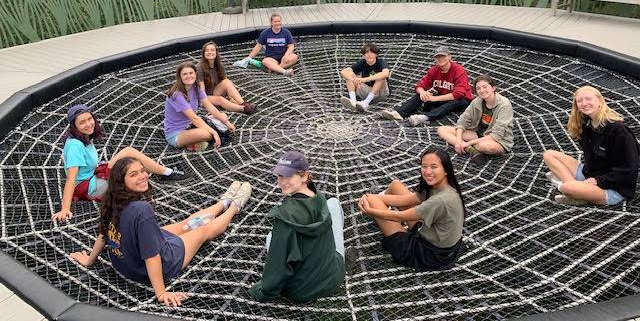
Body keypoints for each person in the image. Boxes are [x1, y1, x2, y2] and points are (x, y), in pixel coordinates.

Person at [69, 157, 252, 307]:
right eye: (134, 174)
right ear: (121, 181)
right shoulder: (142, 210)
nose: (143, 176)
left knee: (185, 224)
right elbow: (152, 255)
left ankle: (223, 202)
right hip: (152, 267)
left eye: (142, 170)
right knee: (202, 230)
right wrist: (161, 293)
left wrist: (90, 260)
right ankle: (234, 207)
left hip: (124, 262)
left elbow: (104, 233)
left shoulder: (111, 199)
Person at [52, 104, 188, 222]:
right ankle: (167, 173)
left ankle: (164, 172)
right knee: (128, 162)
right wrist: (65, 209)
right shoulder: (76, 145)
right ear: (74, 126)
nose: (88, 124)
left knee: (129, 158)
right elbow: (71, 179)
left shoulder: (81, 138)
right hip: (88, 188)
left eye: (89, 119)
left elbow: (70, 159)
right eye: (82, 122)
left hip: (92, 176)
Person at [248, 151, 349, 303]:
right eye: (279, 176)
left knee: (271, 237)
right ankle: (338, 261)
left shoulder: (285, 219)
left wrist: (260, 291)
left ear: (304, 176)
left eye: (288, 176)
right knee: (333, 203)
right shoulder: (319, 196)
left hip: (301, 291)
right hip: (333, 276)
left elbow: (276, 273)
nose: (281, 182)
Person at [358, 148, 465, 271]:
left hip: (428, 254)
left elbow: (400, 216)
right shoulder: (441, 186)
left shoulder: (440, 201)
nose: (428, 171)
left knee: (371, 200)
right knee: (395, 185)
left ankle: (378, 209)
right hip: (433, 236)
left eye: (434, 167)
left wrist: (370, 208)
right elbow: (405, 200)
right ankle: (379, 205)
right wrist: (373, 197)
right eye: (424, 166)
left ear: (446, 170)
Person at [543, 85, 639, 206]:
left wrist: (597, 181)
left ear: (599, 100)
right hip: (589, 174)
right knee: (549, 154)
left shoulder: (619, 131)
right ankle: (577, 191)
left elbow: (629, 169)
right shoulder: (587, 125)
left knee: (566, 187)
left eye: (588, 99)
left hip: (612, 188)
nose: (584, 103)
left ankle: (573, 190)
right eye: (580, 101)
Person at [381, 46, 474, 126]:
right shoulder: (433, 70)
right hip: (442, 97)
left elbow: (459, 94)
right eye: (437, 57)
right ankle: (399, 113)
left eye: (443, 56)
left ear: (449, 57)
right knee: (421, 95)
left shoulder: (459, 70)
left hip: (462, 101)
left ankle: (425, 117)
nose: (440, 59)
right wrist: (422, 92)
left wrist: (434, 99)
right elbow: (420, 85)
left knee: (455, 101)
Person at [437, 75, 514, 163]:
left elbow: (496, 136)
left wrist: (469, 142)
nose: (482, 90)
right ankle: (470, 150)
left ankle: (471, 147)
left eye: (485, 87)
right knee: (442, 130)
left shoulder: (504, 105)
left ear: (493, 88)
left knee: (484, 146)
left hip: (498, 140)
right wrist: (458, 141)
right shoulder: (477, 102)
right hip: (479, 133)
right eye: (478, 88)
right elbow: (463, 120)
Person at [164, 62, 236, 152]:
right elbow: (194, 118)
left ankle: (198, 141)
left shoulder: (196, 88)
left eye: (191, 73)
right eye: (185, 74)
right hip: (177, 133)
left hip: (191, 125)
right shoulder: (176, 95)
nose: (189, 76)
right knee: (206, 134)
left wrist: (227, 122)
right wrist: (213, 132)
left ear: (195, 74)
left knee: (223, 116)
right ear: (180, 77)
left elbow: (210, 106)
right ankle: (192, 143)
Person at [197, 41, 256, 115]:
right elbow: (201, 92)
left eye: (212, 50)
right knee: (220, 100)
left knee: (227, 82)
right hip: (203, 98)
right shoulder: (199, 68)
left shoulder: (219, 65)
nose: (210, 52)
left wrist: (231, 96)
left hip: (214, 92)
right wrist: (209, 105)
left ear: (216, 52)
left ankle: (243, 104)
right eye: (207, 50)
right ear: (203, 53)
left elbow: (226, 82)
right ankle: (243, 109)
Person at [339, 42, 391, 113]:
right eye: (367, 53)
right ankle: (353, 103)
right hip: (365, 91)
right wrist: (353, 79)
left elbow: (386, 74)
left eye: (372, 52)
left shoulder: (381, 62)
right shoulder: (362, 62)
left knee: (381, 77)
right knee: (349, 75)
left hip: (380, 93)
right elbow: (343, 71)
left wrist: (365, 79)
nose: (369, 55)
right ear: (363, 56)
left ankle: (366, 103)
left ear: (376, 54)